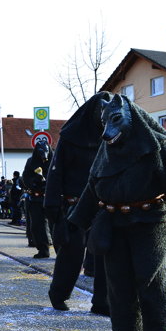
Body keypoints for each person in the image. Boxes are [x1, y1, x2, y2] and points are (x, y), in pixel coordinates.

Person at [69, 93, 166, 331]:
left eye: (116, 121)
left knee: (151, 276)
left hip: (149, 220)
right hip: (113, 219)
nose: (108, 131)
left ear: (130, 117)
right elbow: (93, 185)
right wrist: (78, 217)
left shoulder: (157, 145)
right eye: (105, 123)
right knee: (117, 278)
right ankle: (126, 328)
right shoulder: (106, 151)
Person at [45, 92, 110, 312]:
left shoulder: (111, 136)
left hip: (102, 206)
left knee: (104, 255)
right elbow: (56, 172)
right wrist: (52, 205)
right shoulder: (71, 136)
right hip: (74, 205)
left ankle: (102, 302)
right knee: (71, 255)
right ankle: (58, 295)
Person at [22, 140, 54, 258]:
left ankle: (60, 250)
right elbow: (25, 178)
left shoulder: (55, 161)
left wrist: (47, 184)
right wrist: (35, 182)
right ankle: (43, 249)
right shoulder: (31, 162)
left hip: (51, 198)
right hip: (35, 199)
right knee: (37, 226)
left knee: (55, 225)